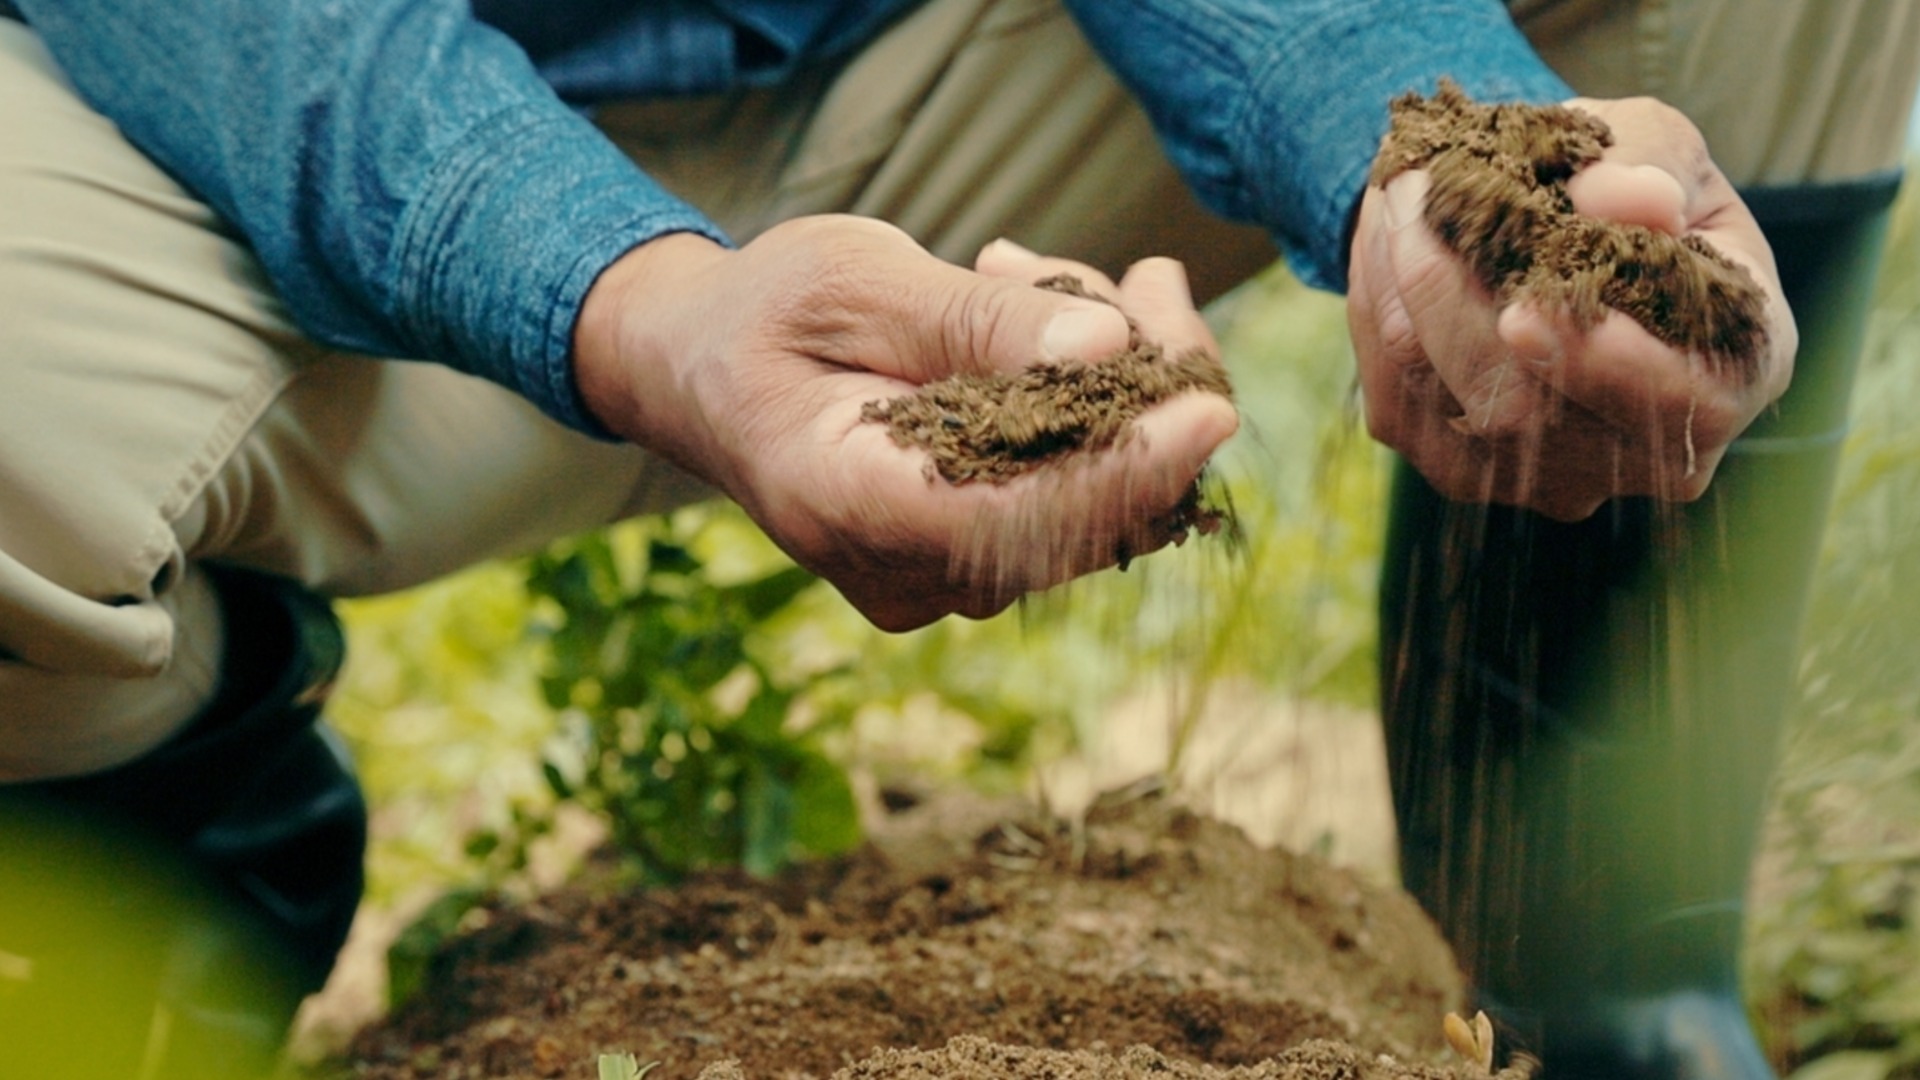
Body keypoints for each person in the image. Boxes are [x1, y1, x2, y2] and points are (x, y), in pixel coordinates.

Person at [0, 0, 1912, 1075]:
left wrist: (1435, 159)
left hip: (945, 59)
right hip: (257, 142)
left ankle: (1596, 1002)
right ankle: (149, 909)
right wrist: (633, 294)